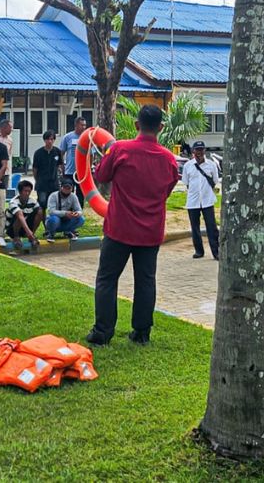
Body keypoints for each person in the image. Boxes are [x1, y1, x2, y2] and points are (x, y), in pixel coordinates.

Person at [87, 104, 179, 346]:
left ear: (137, 125)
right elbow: (167, 190)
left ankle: (103, 332)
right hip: (150, 232)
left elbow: (101, 176)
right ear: (161, 127)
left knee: (107, 279)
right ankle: (141, 333)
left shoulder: (120, 149)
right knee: (146, 281)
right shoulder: (169, 159)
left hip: (119, 228)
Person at [182, 141, 220, 260]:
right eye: (197, 150)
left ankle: (216, 252)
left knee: (212, 227)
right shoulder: (188, 166)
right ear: (193, 151)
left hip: (207, 200)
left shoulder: (211, 165)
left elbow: (215, 180)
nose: (199, 152)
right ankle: (199, 251)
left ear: (204, 151)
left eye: (201, 150)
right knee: (195, 228)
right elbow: (186, 182)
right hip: (193, 202)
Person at [6, 180, 42, 252]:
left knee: (40, 212)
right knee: (20, 215)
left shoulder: (33, 201)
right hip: (11, 229)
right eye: (25, 191)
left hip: (24, 227)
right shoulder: (13, 202)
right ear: (20, 192)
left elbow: (39, 212)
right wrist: (28, 232)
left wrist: (31, 232)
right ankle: (16, 237)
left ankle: (31, 235)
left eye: (29, 191)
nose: (27, 193)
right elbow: (20, 215)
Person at [32, 130, 64, 211]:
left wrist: (61, 177)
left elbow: (60, 165)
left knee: (55, 204)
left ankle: (53, 218)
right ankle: (43, 218)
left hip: (54, 184)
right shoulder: (38, 153)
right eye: (48, 139)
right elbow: (35, 169)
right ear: (44, 140)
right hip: (42, 184)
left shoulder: (57, 151)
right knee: (42, 203)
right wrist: (37, 180)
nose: (50, 141)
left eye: (52, 139)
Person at [59, 117, 87, 207]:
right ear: (76, 125)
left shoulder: (87, 138)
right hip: (69, 171)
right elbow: (61, 153)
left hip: (81, 172)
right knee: (67, 192)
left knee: (80, 194)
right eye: (82, 125)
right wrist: (62, 167)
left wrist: (88, 169)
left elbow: (91, 154)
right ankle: (67, 211)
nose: (84, 127)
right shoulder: (68, 137)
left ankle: (79, 210)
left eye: (85, 125)